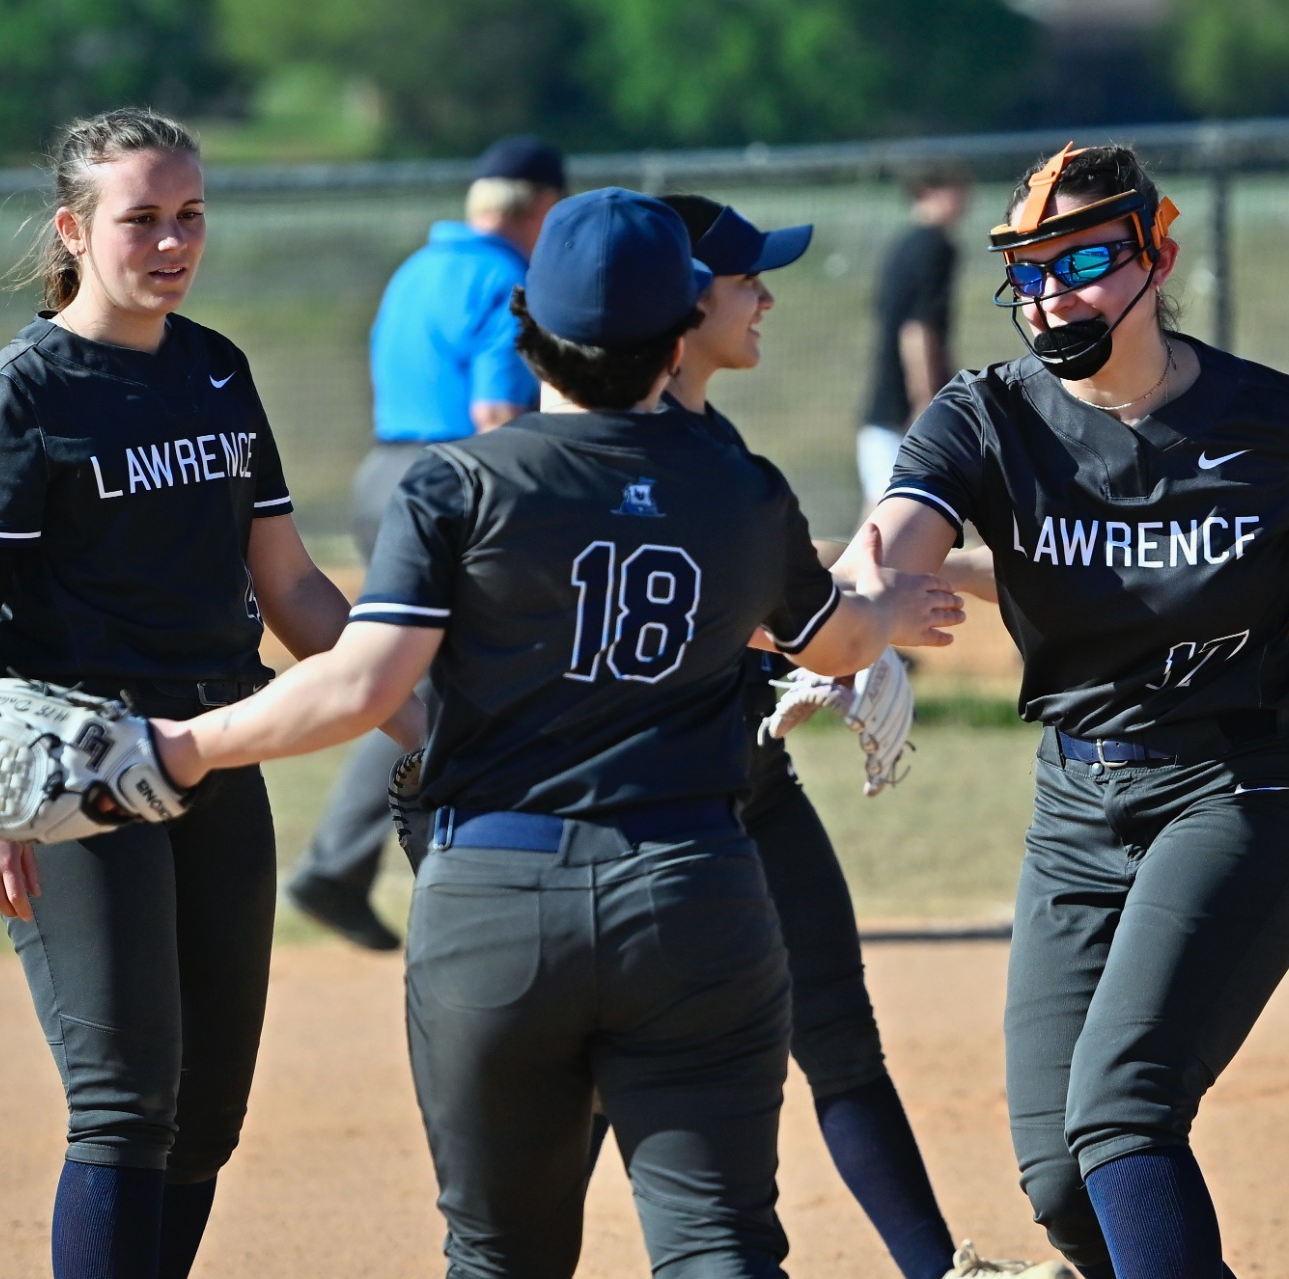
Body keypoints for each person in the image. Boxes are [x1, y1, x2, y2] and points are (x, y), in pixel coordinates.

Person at [145, 187, 966, 1278]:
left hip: (494, 898)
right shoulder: (742, 488)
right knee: (718, 1243)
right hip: (693, 886)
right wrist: (892, 618)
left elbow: (357, 688)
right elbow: (835, 637)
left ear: (528, 330)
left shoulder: (459, 486)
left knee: (497, 1255)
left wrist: (174, 748)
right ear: (679, 336)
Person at [839, 142, 1289, 1279]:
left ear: (1156, 256)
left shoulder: (1272, 420)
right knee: (1063, 1180)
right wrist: (854, 629)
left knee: (1124, 1113)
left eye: (1082, 257)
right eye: (1028, 269)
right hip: (1076, 804)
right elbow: (888, 553)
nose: (1052, 292)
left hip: (1239, 787)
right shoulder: (983, 417)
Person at [0, 107, 394, 1279]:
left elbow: (288, 583)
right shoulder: (16, 398)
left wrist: (414, 701)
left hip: (217, 747)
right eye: (142, 218)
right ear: (74, 230)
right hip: (76, 773)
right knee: (126, 1104)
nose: (173, 241)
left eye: (190, 216)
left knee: (207, 1116)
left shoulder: (216, 368)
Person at [634, 191, 1069, 1279]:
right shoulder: (617, 455)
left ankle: (938, 1269)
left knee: (838, 1035)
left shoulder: (719, 449)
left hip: (751, 782)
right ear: (687, 303)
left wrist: (805, 656)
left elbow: (763, 609)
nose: (768, 294)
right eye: (748, 278)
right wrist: (854, 634)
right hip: (644, 825)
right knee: (619, 1074)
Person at [283, 134, 566, 950]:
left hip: (386, 472)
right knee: (448, 680)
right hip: (455, 481)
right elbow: (497, 416)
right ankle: (402, 865)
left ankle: (342, 865)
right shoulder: (507, 277)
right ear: (540, 207)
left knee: (420, 676)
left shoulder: (414, 271)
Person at [857, 165, 971, 511]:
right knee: (891, 522)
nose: (966, 200)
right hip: (904, 410)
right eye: (957, 189)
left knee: (877, 523)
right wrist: (925, 400)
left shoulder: (902, 244)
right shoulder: (936, 246)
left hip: (884, 408)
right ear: (928, 191)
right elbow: (917, 328)